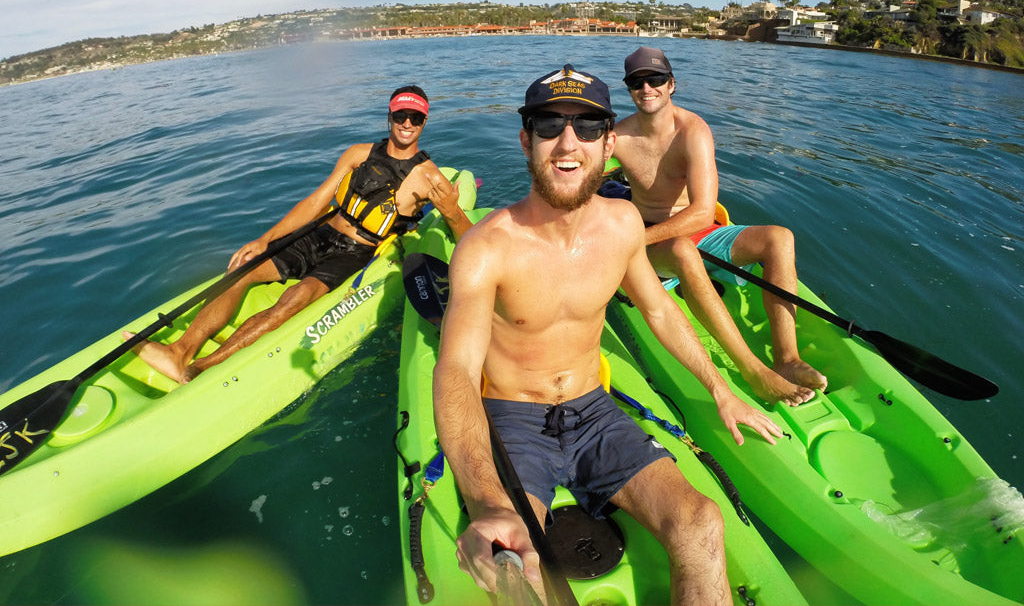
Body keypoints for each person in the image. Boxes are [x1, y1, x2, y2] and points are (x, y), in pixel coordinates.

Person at [433, 65, 782, 605]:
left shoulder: (622, 225)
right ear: (526, 139)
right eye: (549, 125)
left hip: (595, 413)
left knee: (699, 521)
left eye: (588, 127)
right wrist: (489, 502)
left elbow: (660, 311)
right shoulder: (486, 248)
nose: (567, 143)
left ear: (609, 142)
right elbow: (455, 370)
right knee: (516, 568)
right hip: (512, 418)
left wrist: (720, 390)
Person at [126, 85, 471, 384]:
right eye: (401, 116)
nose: (407, 124)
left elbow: (467, 237)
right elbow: (316, 202)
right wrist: (265, 239)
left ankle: (201, 367)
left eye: (415, 117)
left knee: (295, 300)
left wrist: (453, 212)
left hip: (353, 253)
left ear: (425, 122)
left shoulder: (431, 179)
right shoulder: (358, 153)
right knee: (240, 272)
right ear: (389, 117)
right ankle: (179, 351)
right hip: (318, 234)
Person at [611, 46, 826, 406]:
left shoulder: (693, 130)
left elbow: (702, 212)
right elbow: (580, 171)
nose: (647, 88)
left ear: (672, 84)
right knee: (681, 249)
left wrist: (635, 239)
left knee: (779, 238)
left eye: (656, 79)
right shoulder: (618, 137)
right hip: (656, 246)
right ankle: (753, 371)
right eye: (637, 81)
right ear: (629, 88)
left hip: (690, 232)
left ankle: (786, 359)